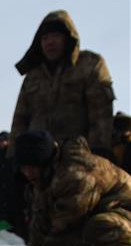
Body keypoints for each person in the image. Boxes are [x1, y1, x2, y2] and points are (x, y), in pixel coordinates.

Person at [15, 130, 130, 246]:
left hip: (124, 216)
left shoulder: (76, 175)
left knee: (98, 227)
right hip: (100, 215)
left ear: (44, 160)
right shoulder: (46, 177)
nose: (28, 172)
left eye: (32, 167)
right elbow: (40, 227)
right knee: (58, 227)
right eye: (24, 167)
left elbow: (65, 230)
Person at [11, 10, 115, 159]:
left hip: (78, 158)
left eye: (56, 36)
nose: (50, 42)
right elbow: (19, 120)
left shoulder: (89, 64)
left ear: (68, 38)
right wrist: (15, 157)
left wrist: (98, 152)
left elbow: (101, 114)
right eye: (45, 38)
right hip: (40, 164)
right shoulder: (33, 76)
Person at [0, 130, 28, 241]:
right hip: (1, 205)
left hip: (17, 204)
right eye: (1, 141)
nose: (3, 143)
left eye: (5, 140)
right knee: (4, 235)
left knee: (20, 233)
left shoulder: (16, 158)